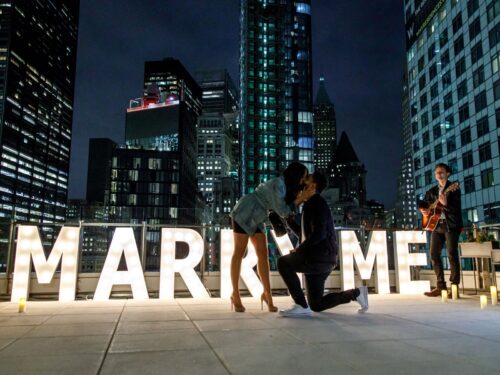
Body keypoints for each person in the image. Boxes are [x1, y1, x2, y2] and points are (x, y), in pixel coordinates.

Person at [277, 171, 368, 317]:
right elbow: (307, 235)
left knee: (283, 263)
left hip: (320, 257)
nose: (303, 183)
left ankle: (301, 305)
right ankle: (356, 293)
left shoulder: (317, 204)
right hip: (320, 257)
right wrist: (290, 223)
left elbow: (319, 234)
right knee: (317, 304)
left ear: (313, 185)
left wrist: (299, 250)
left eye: (307, 180)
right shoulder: (312, 204)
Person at [229, 162, 315, 312]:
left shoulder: (286, 187)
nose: (304, 180)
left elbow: (287, 211)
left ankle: (267, 294)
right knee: (239, 252)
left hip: (259, 217)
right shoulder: (279, 184)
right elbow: (283, 212)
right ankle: (235, 294)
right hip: (246, 210)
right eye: (303, 176)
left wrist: (301, 196)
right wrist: (302, 198)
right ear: (296, 176)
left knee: (263, 255)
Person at [418, 163, 463, 297]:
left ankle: (454, 287)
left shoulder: (453, 188)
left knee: (451, 255)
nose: (439, 174)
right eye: (437, 172)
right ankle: (440, 286)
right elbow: (423, 204)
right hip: (436, 226)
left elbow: (456, 209)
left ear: (447, 173)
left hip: (451, 226)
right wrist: (424, 211)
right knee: (433, 255)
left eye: (441, 172)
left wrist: (445, 205)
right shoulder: (432, 191)